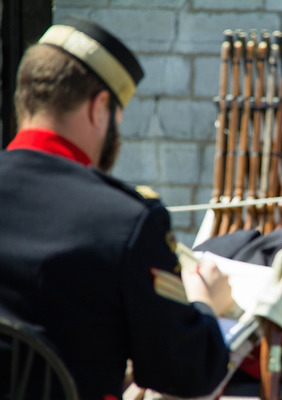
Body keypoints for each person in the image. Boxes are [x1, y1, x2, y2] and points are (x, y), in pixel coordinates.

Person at [0, 16, 246, 399]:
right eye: (117, 115)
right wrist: (204, 302)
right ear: (99, 108)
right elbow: (190, 372)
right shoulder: (124, 221)